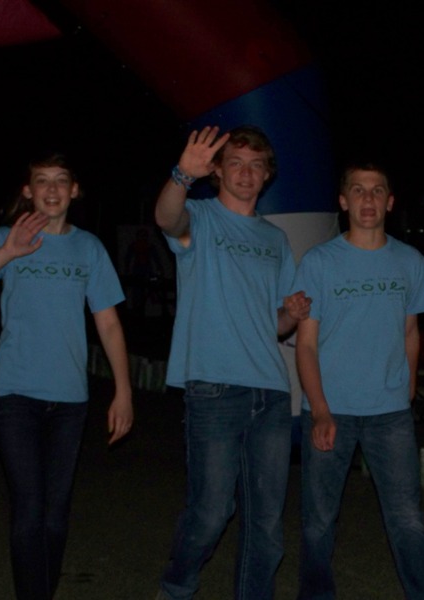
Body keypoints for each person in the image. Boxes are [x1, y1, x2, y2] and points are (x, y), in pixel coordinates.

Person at [0, 153, 133, 600]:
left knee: (55, 516)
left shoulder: (89, 248)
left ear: (74, 190)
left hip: (70, 399)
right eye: (41, 181)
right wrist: (7, 253)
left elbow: (109, 324)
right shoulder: (5, 237)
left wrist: (124, 392)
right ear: (28, 191)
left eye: (60, 181)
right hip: (14, 393)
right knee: (29, 510)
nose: (51, 190)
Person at [154, 125, 310, 600]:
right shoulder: (200, 218)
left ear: (267, 175)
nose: (246, 173)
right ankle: (176, 586)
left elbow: (276, 325)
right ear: (217, 171)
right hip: (214, 388)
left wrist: (292, 314)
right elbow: (165, 218)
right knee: (211, 512)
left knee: (267, 523)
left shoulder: (275, 239)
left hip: (271, 391)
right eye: (236, 163)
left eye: (256, 165)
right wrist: (182, 175)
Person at [294, 163, 424, 600]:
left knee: (407, 519)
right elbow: (306, 345)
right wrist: (320, 411)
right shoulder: (319, 262)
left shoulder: (410, 261)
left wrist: (408, 387)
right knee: (318, 521)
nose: (368, 199)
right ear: (343, 201)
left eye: (377, 190)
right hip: (331, 410)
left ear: (390, 201)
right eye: (358, 190)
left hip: (390, 414)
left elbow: (410, 332)